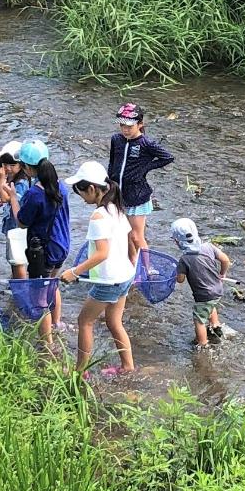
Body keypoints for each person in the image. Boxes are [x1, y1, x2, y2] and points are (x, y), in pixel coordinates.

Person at [61, 161, 136, 377]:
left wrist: (74, 272)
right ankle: (128, 367)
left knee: (84, 321)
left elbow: (101, 253)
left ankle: (80, 370)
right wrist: (130, 264)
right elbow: (133, 242)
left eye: (81, 192)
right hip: (125, 276)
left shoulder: (98, 216)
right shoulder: (116, 207)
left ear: (92, 189)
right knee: (114, 322)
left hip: (108, 281)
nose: (82, 198)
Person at [15, 143, 70, 345]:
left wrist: (13, 198)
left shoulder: (34, 194)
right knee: (52, 284)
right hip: (61, 246)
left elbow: (21, 222)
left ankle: (48, 346)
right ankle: (57, 325)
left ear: (28, 168)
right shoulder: (61, 186)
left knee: (39, 299)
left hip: (43, 252)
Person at [107, 103, 174, 257]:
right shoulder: (116, 139)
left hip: (137, 195)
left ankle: (146, 269)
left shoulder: (145, 143)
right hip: (117, 193)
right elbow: (112, 162)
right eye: (122, 125)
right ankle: (131, 264)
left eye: (129, 126)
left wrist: (146, 167)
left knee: (137, 237)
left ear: (140, 124)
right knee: (125, 234)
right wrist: (109, 183)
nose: (125, 129)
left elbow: (168, 157)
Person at [172, 218, 232, 348]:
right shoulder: (208, 247)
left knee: (199, 320)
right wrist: (223, 274)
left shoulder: (184, 259)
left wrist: (177, 272)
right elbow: (225, 260)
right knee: (211, 305)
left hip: (204, 296)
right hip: (217, 289)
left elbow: (180, 279)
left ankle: (203, 344)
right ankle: (215, 326)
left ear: (177, 242)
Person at [0, 142, 30, 279]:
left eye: (12, 165)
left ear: (21, 165)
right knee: (14, 259)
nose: (8, 168)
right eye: (5, 164)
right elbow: (7, 199)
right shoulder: (14, 179)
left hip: (17, 227)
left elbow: (6, 198)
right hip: (13, 224)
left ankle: (20, 286)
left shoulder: (21, 183)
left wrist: (0, 179)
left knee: (18, 260)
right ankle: (16, 280)